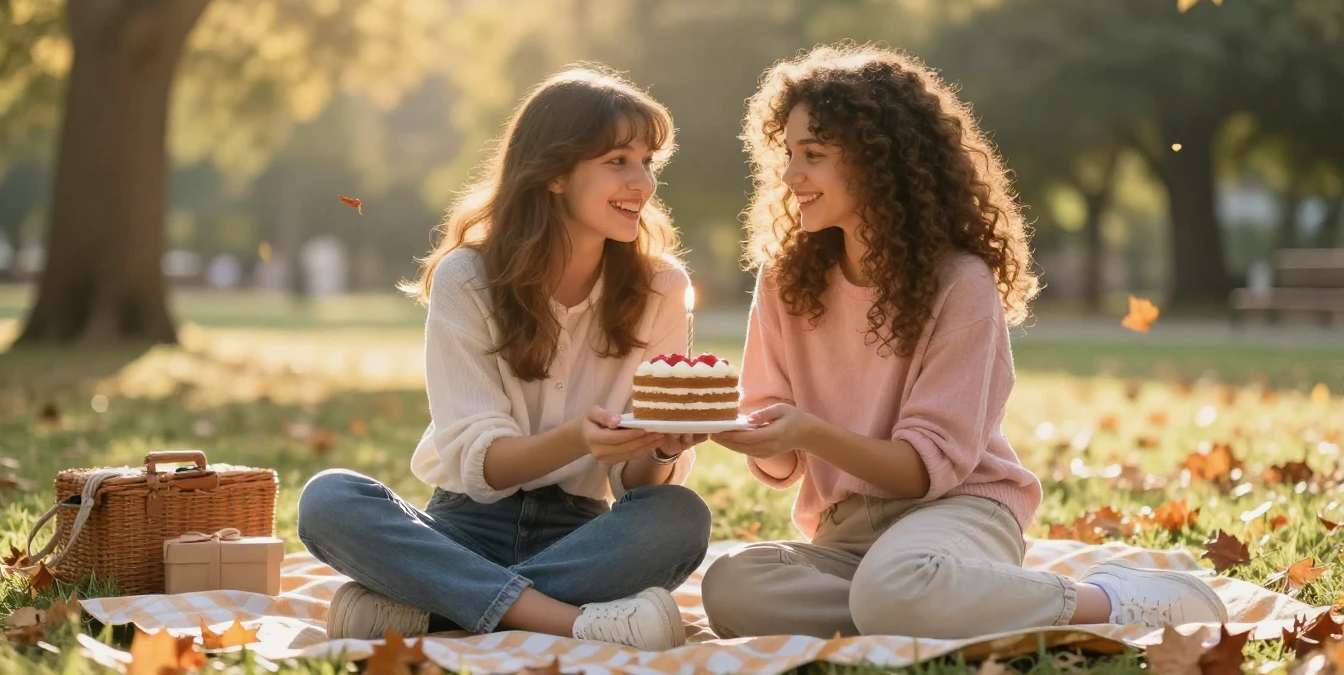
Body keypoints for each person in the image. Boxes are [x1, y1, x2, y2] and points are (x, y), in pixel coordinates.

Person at [701, 44, 1228, 640]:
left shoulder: (960, 283)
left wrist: (807, 430)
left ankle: (1107, 600)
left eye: (814, 155)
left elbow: (925, 472)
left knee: (897, 585)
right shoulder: (784, 281)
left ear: (880, 162)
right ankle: (923, 607)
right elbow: (782, 456)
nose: (791, 175)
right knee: (731, 588)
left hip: (959, 511)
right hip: (848, 532)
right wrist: (746, 433)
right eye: (789, 154)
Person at [298, 66, 710, 651]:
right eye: (619, 160)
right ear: (555, 174)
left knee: (679, 515)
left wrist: (665, 445)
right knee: (329, 499)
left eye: (648, 161)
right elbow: (481, 464)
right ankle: (569, 621)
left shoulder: (662, 289)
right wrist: (579, 439)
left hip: (583, 536)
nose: (642, 182)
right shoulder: (468, 276)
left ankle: (433, 607)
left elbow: (634, 487)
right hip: (463, 526)